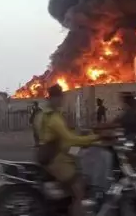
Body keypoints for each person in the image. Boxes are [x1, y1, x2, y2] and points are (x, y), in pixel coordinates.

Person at [37, 84, 99, 216]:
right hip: (55, 159)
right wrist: (94, 138)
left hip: (50, 153)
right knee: (79, 189)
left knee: (76, 157)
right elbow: (70, 139)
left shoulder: (44, 115)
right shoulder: (54, 118)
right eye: (60, 97)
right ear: (54, 98)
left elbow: (56, 137)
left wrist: (81, 136)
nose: (62, 100)